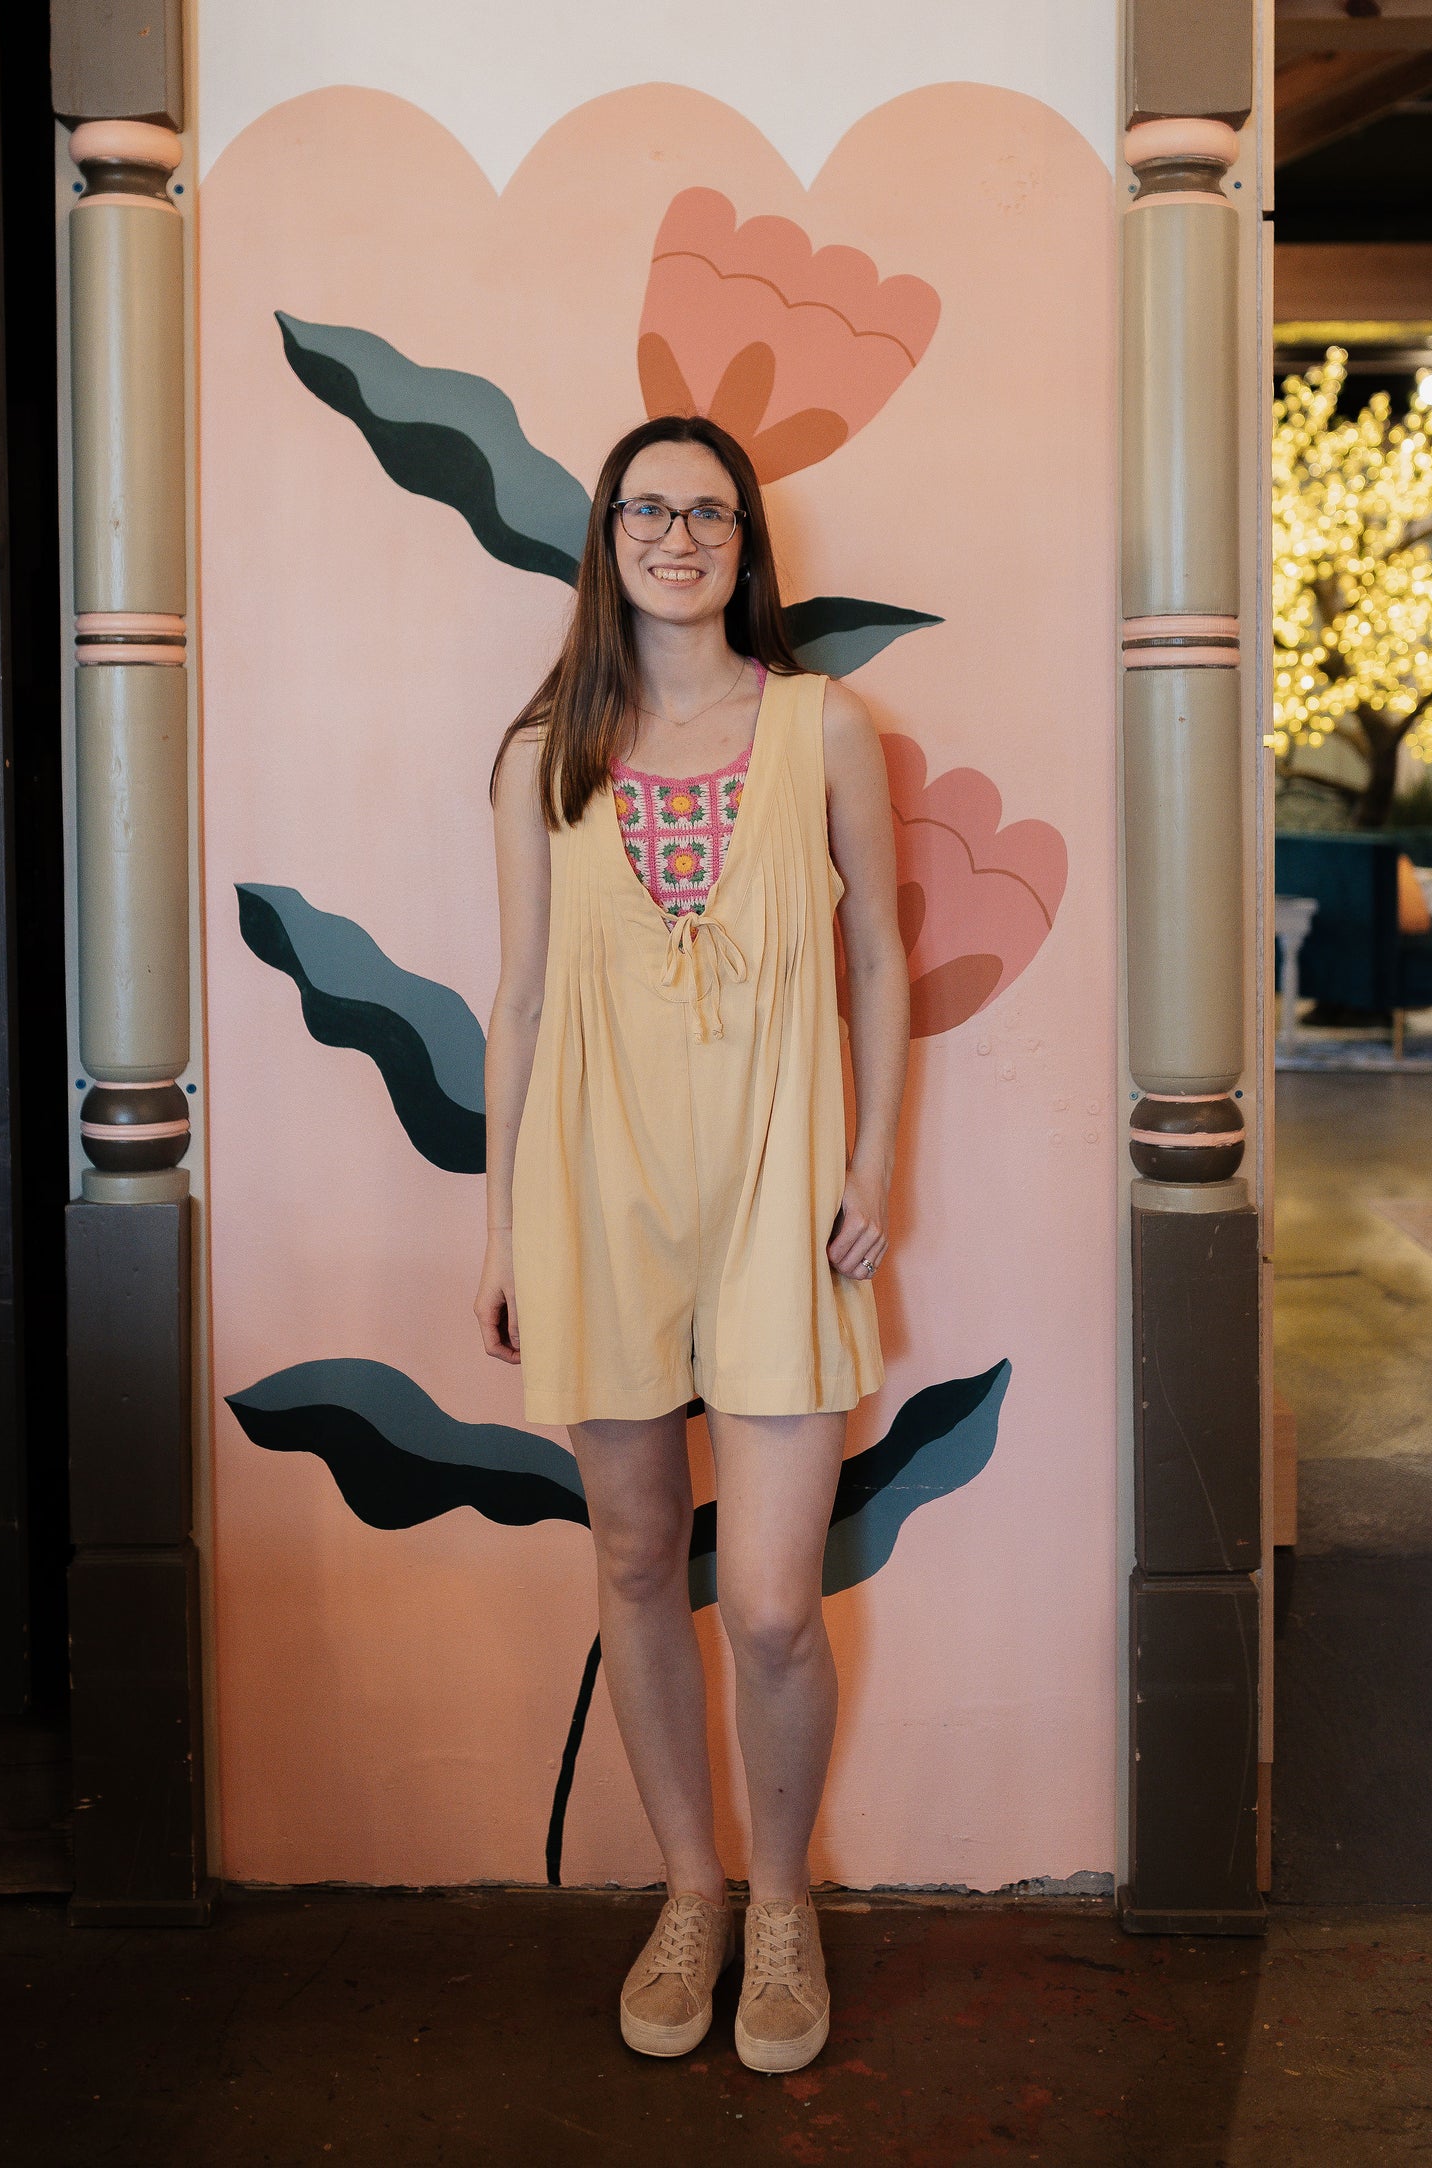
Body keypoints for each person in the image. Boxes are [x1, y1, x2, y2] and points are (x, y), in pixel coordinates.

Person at [476, 413, 909, 2074]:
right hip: (596, 1201)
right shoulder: (541, 754)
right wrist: (500, 1220)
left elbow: (878, 953)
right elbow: (514, 1001)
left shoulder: (822, 726)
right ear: (606, 537)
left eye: (706, 512)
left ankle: (784, 1903)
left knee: (779, 1604)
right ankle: (689, 1892)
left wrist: (873, 1158)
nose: (676, 534)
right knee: (639, 1562)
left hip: (782, 1202)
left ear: (744, 543)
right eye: (646, 510)